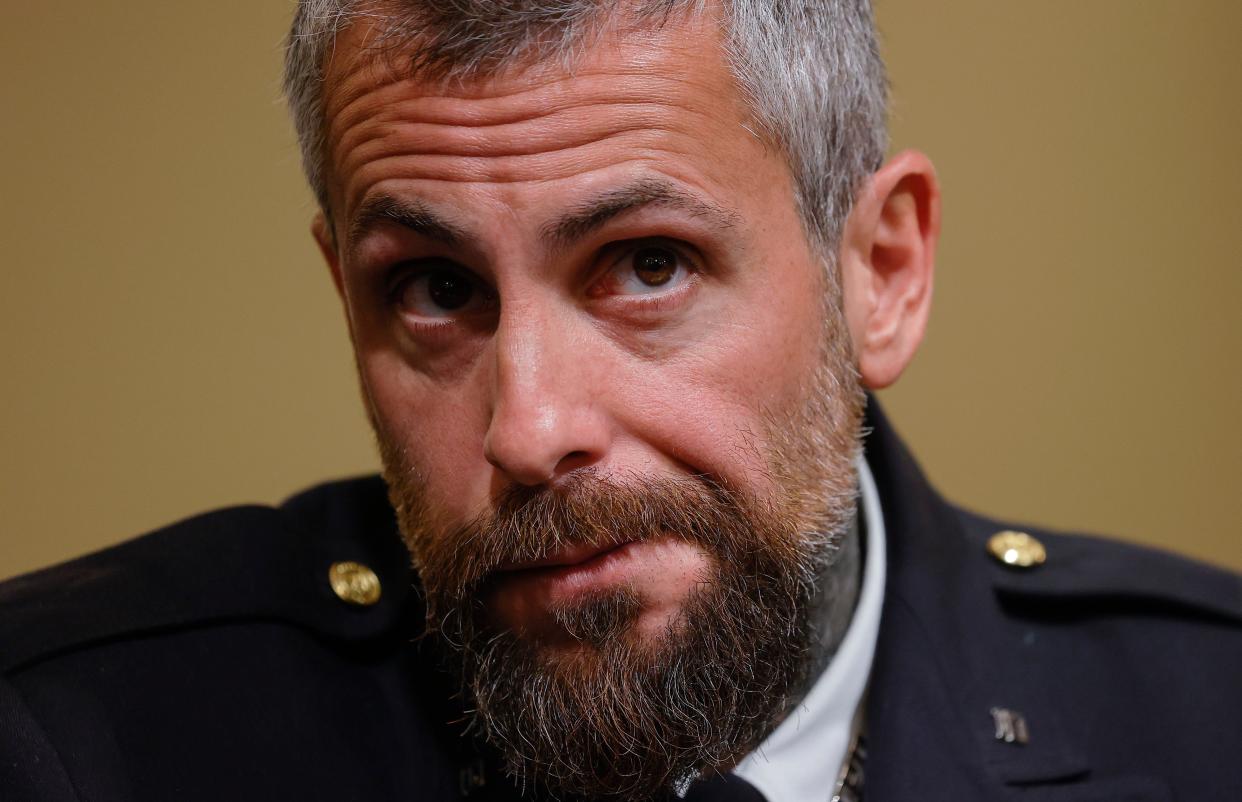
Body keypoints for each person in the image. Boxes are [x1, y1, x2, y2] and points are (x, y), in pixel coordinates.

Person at [2, 2, 1239, 800]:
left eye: (649, 265)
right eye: (435, 288)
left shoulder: (1209, 722)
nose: (530, 431)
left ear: (881, 272)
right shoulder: (76, 740)